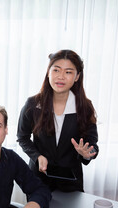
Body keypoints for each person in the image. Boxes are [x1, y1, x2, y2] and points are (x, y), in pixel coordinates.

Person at [17, 49, 99, 192]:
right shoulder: (33, 104)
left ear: (77, 76)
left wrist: (87, 154)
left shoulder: (85, 107)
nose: (61, 77)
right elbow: (22, 137)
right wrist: (37, 157)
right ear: (48, 72)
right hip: (39, 179)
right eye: (56, 70)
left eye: (68, 72)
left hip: (71, 182)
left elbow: (92, 144)